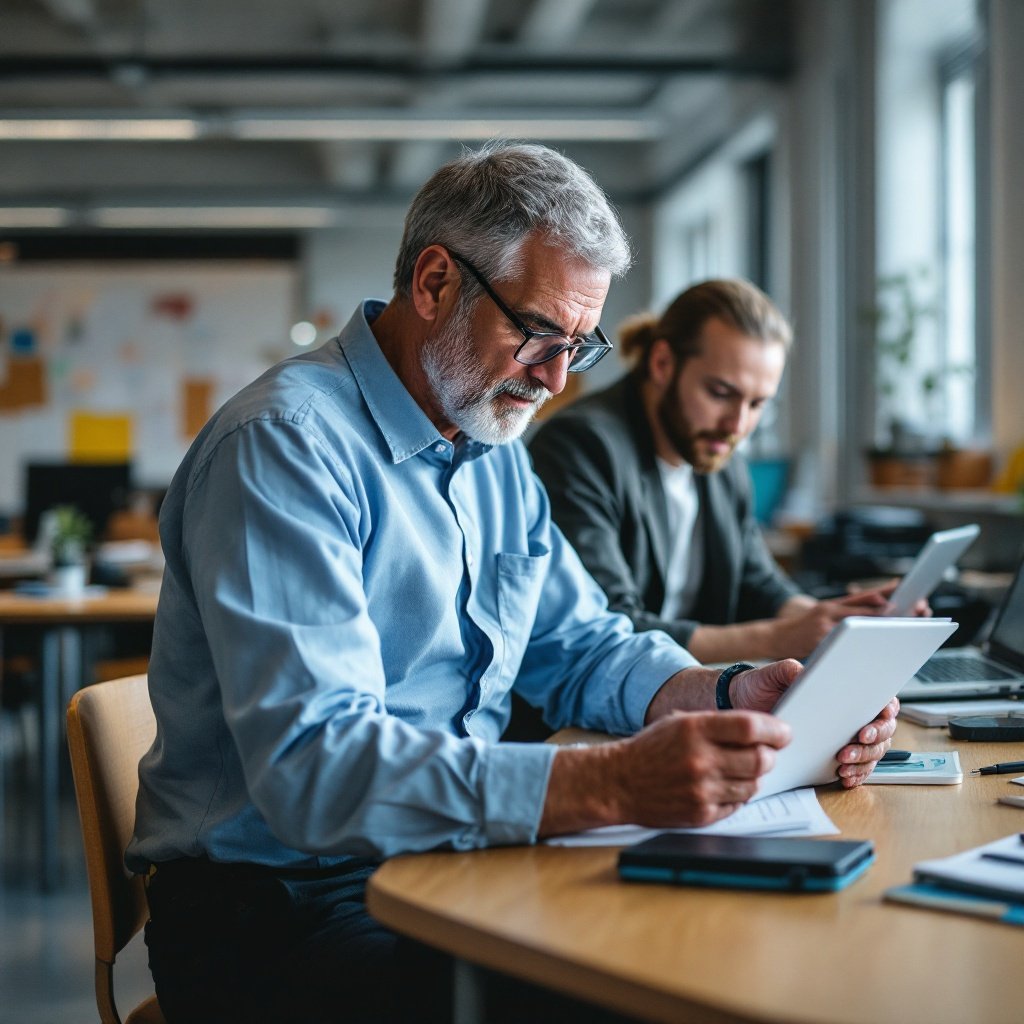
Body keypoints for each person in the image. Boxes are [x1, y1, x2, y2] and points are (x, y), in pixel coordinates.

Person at [127, 146, 896, 1024]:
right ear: (433, 284)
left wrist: (723, 691)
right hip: (276, 913)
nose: (557, 379)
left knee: (723, 947)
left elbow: (581, 648)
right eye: (538, 333)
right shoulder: (284, 448)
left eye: (580, 345)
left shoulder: (489, 448)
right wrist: (607, 785)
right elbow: (317, 773)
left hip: (448, 867)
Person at [530, 279, 922, 666]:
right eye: (720, 393)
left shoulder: (717, 456)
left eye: (757, 404)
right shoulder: (580, 446)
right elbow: (608, 626)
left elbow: (759, 583)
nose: (737, 425)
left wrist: (839, 619)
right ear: (662, 363)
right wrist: (782, 636)